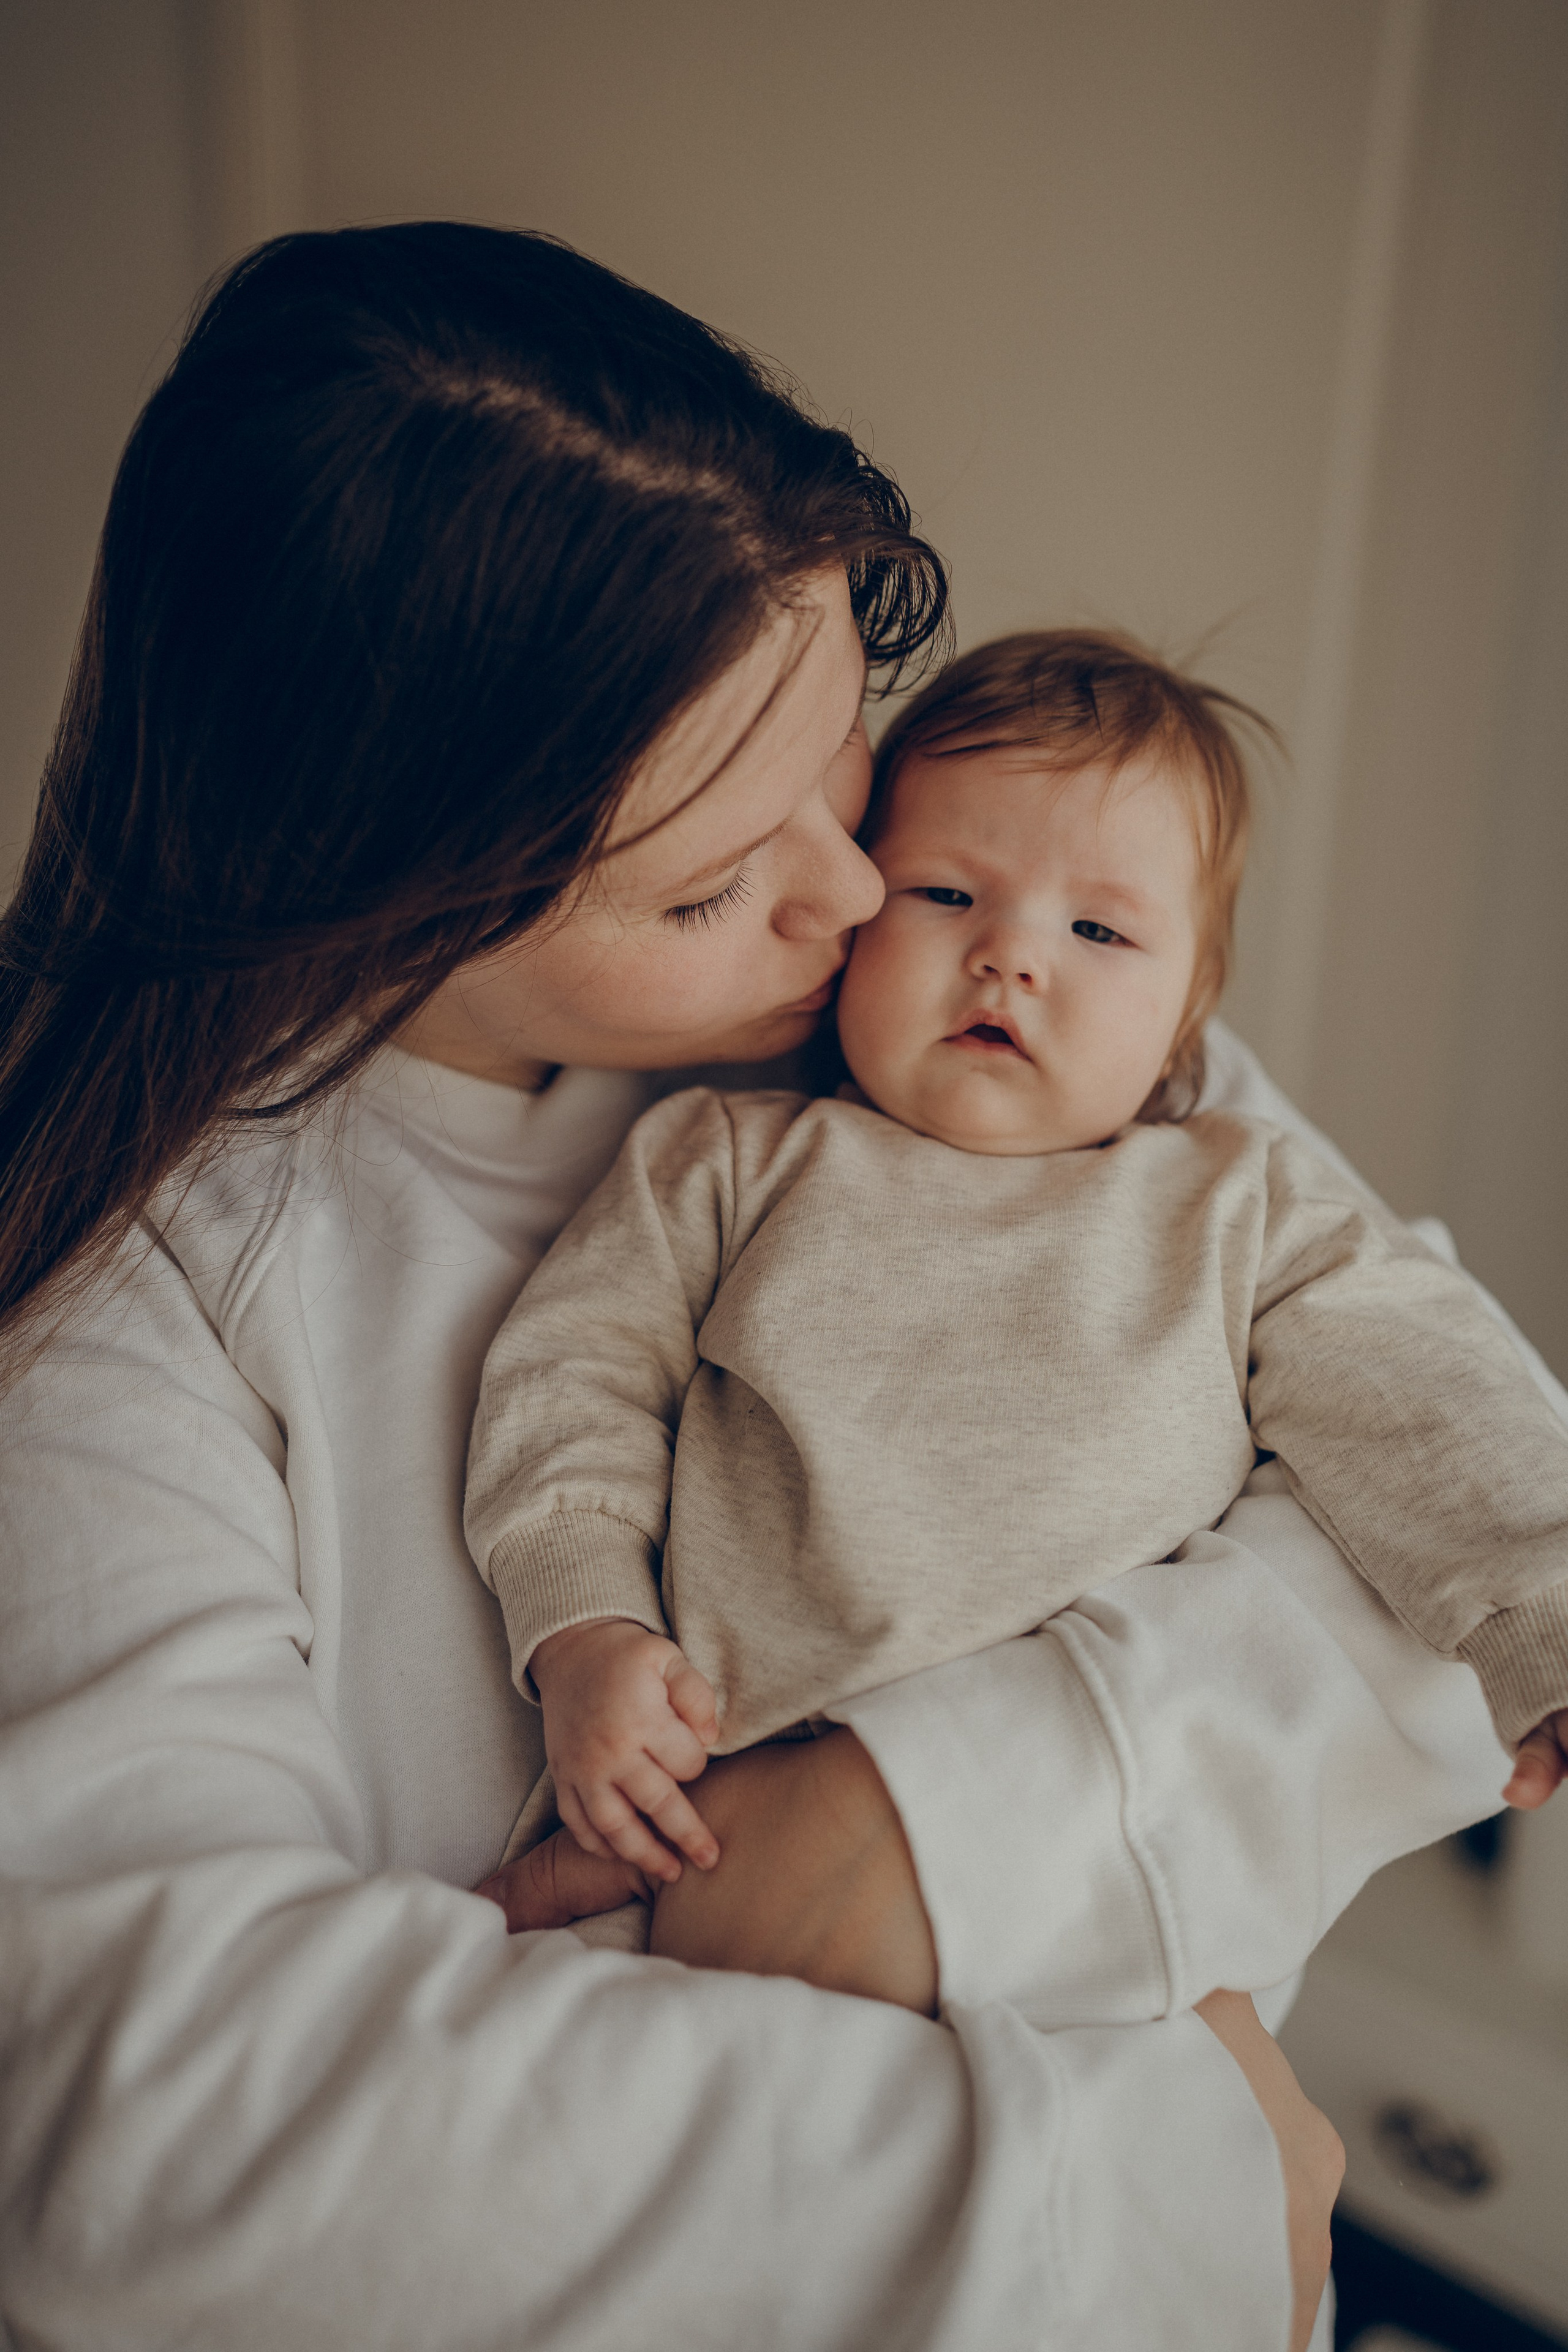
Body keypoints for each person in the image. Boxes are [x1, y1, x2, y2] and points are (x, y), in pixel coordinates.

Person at [0, 222, 1512, 2352]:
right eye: (712, 879)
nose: (858, 890)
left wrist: (916, 1834)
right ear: (377, 888)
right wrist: (1163, 2181)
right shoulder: (123, 1316)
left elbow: (1453, 1486)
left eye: (843, 752)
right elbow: (147, 2130)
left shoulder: (982, 1013)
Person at [465, 628, 1568, 1948]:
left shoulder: (1237, 1204)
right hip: (715, 1808)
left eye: (1096, 928)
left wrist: (1545, 1626)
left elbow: (1433, 1402)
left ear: (1187, 1013)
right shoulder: (725, 1160)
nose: (1010, 956)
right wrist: (582, 1624)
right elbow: (569, 1382)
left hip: (1071, 1851)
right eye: (942, 894)